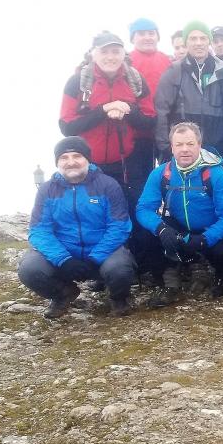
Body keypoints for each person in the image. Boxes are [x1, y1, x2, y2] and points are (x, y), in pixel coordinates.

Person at [60, 31, 159, 281]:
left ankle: (141, 266)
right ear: (94, 53)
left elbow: (149, 119)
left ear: (123, 53)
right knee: (95, 215)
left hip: (126, 159)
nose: (110, 56)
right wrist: (104, 110)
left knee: (133, 210)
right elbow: (66, 125)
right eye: (104, 51)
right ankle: (100, 271)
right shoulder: (78, 83)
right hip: (89, 164)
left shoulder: (135, 80)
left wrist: (128, 110)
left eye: (115, 51)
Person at [19, 137, 136, 318]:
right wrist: (63, 259)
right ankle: (63, 293)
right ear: (57, 162)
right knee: (29, 268)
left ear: (87, 159)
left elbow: (119, 226)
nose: (71, 162)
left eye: (77, 156)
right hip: (65, 254)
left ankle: (119, 298)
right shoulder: (47, 190)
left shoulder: (108, 185)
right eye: (64, 157)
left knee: (120, 268)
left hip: (102, 253)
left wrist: (95, 257)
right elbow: (39, 230)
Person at [135, 122, 223, 306]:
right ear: (172, 147)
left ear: (199, 145)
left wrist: (205, 238)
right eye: (179, 144)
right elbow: (143, 209)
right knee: (146, 236)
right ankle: (170, 282)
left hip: (211, 229)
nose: (185, 149)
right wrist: (161, 228)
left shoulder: (216, 174)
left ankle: (220, 275)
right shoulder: (161, 174)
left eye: (190, 144)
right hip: (180, 227)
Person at [155, 20, 223, 170]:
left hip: (217, 149)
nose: (199, 43)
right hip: (183, 150)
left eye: (203, 38)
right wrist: (166, 148)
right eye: (193, 38)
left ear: (209, 41)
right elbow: (161, 112)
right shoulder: (173, 72)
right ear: (186, 42)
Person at [126, 17, 171, 181]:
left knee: (168, 176)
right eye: (141, 34)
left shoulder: (167, 60)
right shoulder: (126, 61)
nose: (147, 37)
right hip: (137, 133)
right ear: (133, 38)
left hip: (165, 131)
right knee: (141, 179)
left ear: (158, 37)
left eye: (151, 33)